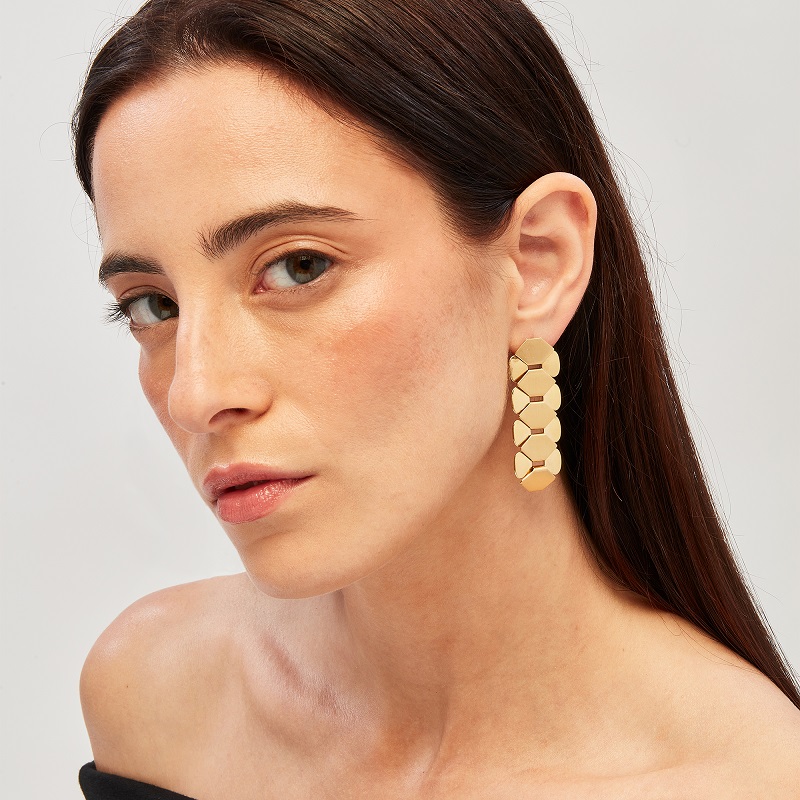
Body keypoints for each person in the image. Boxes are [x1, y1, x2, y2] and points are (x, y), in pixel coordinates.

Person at [73, 1, 800, 797]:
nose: (196, 394)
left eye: (299, 266)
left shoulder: (746, 779)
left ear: (537, 262)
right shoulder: (157, 697)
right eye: (153, 305)